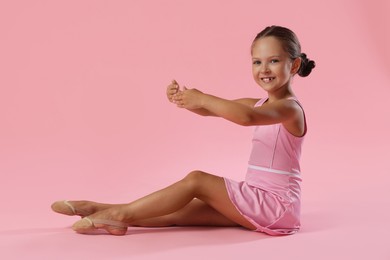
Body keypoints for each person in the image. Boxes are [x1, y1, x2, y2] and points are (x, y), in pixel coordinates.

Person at [51, 25, 315, 236]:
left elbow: (246, 118)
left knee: (197, 180)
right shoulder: (260, 104)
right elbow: (212, 110)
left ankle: (119, 214)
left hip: (277, 206)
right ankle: (100, 211)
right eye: (257, 62)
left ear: (292, 66)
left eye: (273, 61)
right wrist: (186, 99)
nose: (263, 69)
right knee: (177, 212)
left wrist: (203, 97)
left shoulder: (290, 109)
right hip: (256, 199)